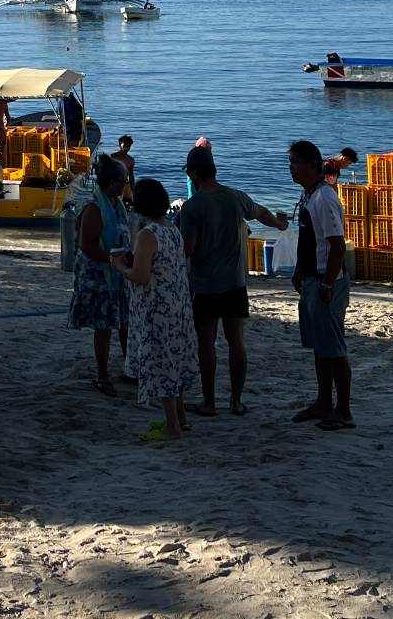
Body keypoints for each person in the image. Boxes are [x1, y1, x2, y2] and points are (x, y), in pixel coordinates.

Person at [178, 143, 288, 417]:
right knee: (236, 341)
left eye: (189, 172)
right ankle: (236, 401)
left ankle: (209, 402)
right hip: (235, 283)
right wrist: (280, 224)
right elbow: (262, 214)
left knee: (206, 343)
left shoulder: (192, 208)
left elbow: (188, 249)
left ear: (194, 173)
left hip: (205, 285)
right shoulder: (236, 197)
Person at [116, 178, 200, 441]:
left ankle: (172, 426)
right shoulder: (172, 229)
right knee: (176, 359)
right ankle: (181, 418)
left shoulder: (147, 234)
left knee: (163, 363)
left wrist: (119, 266)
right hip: (178, 305)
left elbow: (140, 276)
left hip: (157, 309)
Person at [288, 138, 353, 432]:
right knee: (320, 346)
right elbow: (309, 239)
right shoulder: (309, 195)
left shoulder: (324, 198)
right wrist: (300, 270)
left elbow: (336, 245)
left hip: (328, 282)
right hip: (312, 278)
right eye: (290, 163)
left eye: (296, 163)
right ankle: (323, 401)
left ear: (313, 165)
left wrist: (327, 284)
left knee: (334, 348)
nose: (292, 168)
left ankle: (344, 410)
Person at [67, 153, 131, 395]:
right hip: (99, 275)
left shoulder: (118, 205)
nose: (126, 186)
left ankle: (130, 367)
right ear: (112, 183)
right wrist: (112, 259)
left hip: (118, 271)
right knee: (103, 326)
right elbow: (87, 245)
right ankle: (103, 375)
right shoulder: (95, 208)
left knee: (125, 322)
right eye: (123, 182)